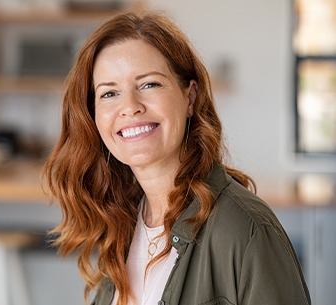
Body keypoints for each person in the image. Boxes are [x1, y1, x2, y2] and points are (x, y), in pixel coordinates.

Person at [43, 10, 311, 305]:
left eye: (149, 84)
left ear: (190, 97)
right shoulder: (120, 222)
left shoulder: (245, 230)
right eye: (109, 93)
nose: (130, 107)